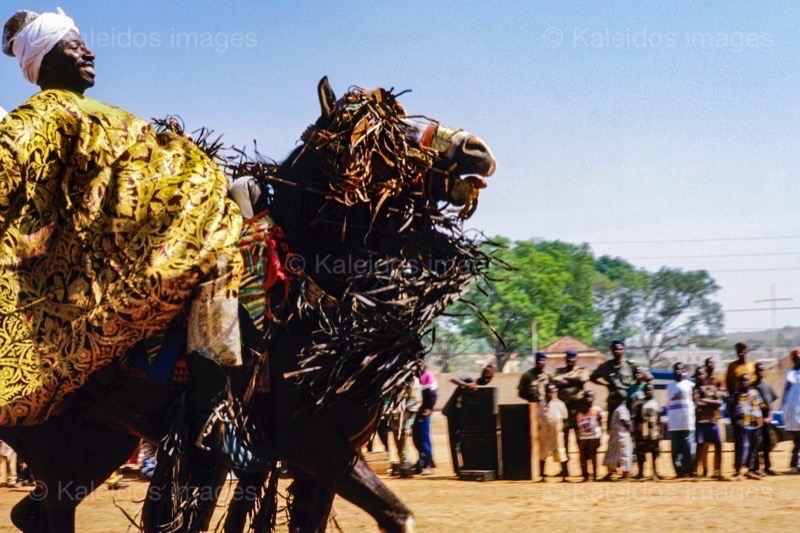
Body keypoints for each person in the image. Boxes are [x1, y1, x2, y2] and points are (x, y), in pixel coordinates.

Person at [0, 9, 266, 470]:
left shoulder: (92, 111)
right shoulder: (40, 117)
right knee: (216, 251)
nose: (89, 51)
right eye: (74, 44)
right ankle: (213, 417)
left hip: (148, 227)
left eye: (84, 43)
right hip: (117, 254)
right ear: (45, 60)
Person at [442, 363, 495, 475]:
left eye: (489, 377)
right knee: (455, 441)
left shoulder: (484, 390)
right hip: (453, 412)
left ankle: (466, 466)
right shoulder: (470, 380)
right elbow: (452, 379)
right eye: (485, 375)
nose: (486, 379)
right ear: (481, 374)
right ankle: (458, 469)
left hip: (463, 416)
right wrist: (466, 385)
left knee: (464, 440)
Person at [590, 340, 651, 423]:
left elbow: (649, 377)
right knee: (612, 426)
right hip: (614, 402)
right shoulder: (605, 366)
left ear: (623, 350)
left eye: (619, 349)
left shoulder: (630, 365)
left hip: (630, 401)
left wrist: (639, 379)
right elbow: (592, 378)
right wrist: (605, 384)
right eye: (615, 349)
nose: (617, 351)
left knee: (631, 426)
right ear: (611, 350)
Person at [553, 350, 587, 457]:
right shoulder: (559, 371)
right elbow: (554, 381)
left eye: (573, 358)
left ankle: (583, 468)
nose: (571, 360)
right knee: (564, 439)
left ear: (576, 359)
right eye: (569, 358)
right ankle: (565, 468)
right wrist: (574, 381)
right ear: (566, 359)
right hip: (564, 411)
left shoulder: (581, 370)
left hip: (578, 411)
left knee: (580, 438)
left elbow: (582, 380)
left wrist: (566, 379)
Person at [732, 373, 766, 480]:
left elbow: (762, 405)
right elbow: (733, 410)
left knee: (753, 448)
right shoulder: (736, 395)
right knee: (744, 447)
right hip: (743, 425)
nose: (744, 382)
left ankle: (750, 470)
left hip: (756, 423)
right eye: (742, 381)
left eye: (746, 380)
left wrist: (762, 416)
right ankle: (740, 470)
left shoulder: (755, 392)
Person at [693, 366, 724, 479]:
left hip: (713, 420)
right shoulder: (695, 389)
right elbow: (697, 403)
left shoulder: (712, 387)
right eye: (697, 374)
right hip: (701, 421)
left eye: (701, 373)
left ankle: (717, 470)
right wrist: (711, 403)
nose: (699, 376)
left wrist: (705, 400)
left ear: (706, 374)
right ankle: (699, 470)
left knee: (718, 445)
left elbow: (719, 402)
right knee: (700, 446)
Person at [666, 362, 695, 478]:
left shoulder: (690, 385)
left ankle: (688, 470)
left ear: (684, 371)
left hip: (687, 422)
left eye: (680, 369)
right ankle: (679, 472)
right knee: (675, 450)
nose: (678, 371)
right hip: (674, 423)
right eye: (676, 370)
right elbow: (668, 404)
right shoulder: (669, 386)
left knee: (688, 448)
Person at [390, 377, 421, 477]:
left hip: (405, 415)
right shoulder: (401, 378)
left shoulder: (412, 381)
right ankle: (404, 463)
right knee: (398, 438)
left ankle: (405, 465)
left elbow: (416, 400)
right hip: (398, 416)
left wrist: (401, 410)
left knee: (403, 436)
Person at [537, 383, 569, 481]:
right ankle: (542, 475)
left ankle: (564, 475)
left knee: (560, 451)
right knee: (543, 453)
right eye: (549, 392)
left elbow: (565, 416)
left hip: (556, 432)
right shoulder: (541, 403)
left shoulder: (560, 403)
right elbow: (538, 416)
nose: (552, 394)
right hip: (545, 432)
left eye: (553, 392)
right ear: (546, 392)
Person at [752, 362, 778, 475]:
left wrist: (769, 416)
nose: (760, 372)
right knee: (757, 445)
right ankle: (757, 467)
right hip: (756, 421)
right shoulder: (752, 388)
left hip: (767, 421)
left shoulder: (767, 387)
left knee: (768, 444)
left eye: (762, 370)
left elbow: (770, 405)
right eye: (758, 370)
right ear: (755, 372)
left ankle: (767, 467)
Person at [413, 365, 438, 475]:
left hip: (423, 412)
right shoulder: (415, 376)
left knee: (423, 438)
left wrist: (428, 409)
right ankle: (423, 461)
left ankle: (427, 464)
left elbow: (432, 394)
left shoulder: (427, 375)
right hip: (415, 411)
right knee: (416, 438)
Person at [575, 390, 603, 482]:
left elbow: (601, 422)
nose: (588, 399)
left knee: (593, 456)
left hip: (594, 437)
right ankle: (585, 475)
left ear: (594, 398)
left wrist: (600, 435)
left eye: (590, 397)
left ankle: (595, 475)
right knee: (583, 458)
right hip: (583, 437)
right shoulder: (579, 410)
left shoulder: (597, 409)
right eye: (587, 397)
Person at [634, 382, 661, 480]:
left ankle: (654, 473)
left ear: (653, 391)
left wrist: (659, 432)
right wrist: (635, 432)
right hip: (642, 432)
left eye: (650, 389)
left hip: (653, 432)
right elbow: (635, 419)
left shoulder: (656, 404)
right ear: (644, 391)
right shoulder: (639, 404)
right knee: (641, 453)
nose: (648, 391)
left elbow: (659, 419)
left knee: (654, 452)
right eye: (646, 390)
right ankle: (641, 473)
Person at [602, 398, 632, 481]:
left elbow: (625, 421)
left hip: (621, 436)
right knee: (612, 454)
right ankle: (610, 473)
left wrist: (627, 431)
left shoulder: (622, 409)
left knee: (623, 454)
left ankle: (626, 474)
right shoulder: (618, 408)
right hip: (616, 436)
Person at [782, 349, 800, 474]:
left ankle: (795, 463)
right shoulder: (790, 373)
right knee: (798, 440)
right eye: (796, 358)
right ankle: (794, 464)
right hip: (793, 412)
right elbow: (786, 392)